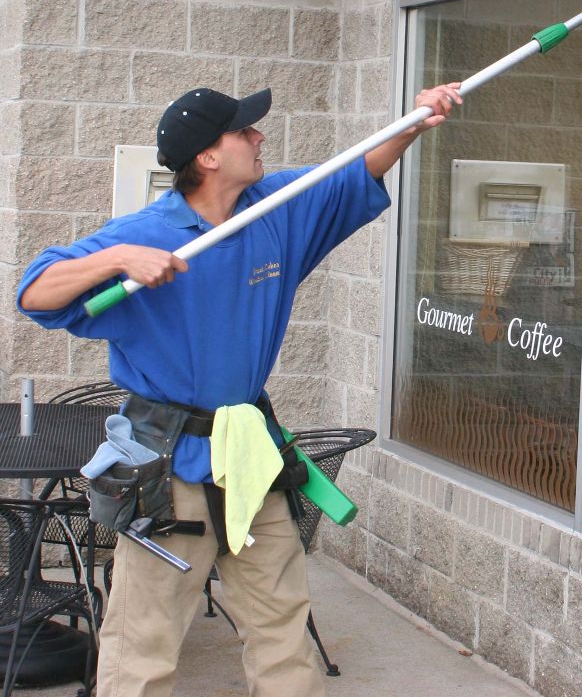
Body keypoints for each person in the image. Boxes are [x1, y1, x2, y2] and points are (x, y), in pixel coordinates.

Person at [17, 80, 462, 697]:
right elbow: (34, 293)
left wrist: (415, 120)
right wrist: (117, 260)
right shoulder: (147, 233)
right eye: (244, 130)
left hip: (250, 461)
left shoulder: (271, 208)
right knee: (142, 645)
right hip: (165, 468)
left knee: (282, 626)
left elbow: (356, 169)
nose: (260, 136)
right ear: (207, 156)